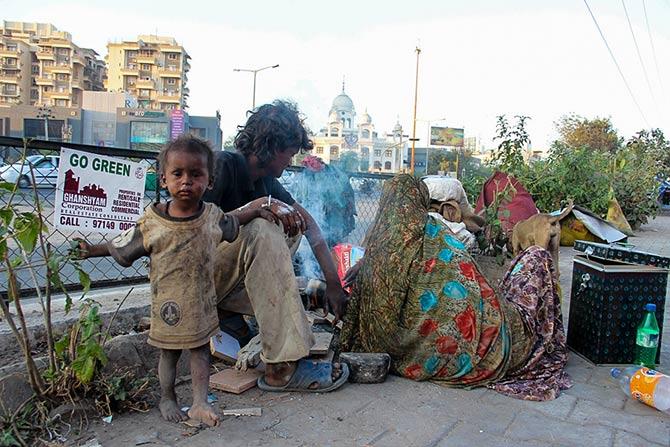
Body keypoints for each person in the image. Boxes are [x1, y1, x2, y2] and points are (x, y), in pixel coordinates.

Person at [75, 135, 276, 425]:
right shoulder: (153, 221)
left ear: (209, 181)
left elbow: (233, 222)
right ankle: (167, 397)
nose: (186, 182)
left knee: (200, 354)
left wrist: (256, 211)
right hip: (167, 304)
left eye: (196, 175)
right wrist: (91, 250)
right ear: (163, 180)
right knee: (168, 355)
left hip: (201, 303)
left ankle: (198, 402)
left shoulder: (211, 217)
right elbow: (122, 245)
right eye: (177, 174)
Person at [341, 175, 571, 401]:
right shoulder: (433, 231)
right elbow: (467, 275)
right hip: (484, 337)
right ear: (419, 200)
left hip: (396, 344)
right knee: (536, 257)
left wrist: (364, 266)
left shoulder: (379, 241)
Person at [204, 100, 349, 392]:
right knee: (263, 224)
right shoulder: (223, 165)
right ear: (271, 146)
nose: (291, 160)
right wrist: (253, 209)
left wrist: (334, 283)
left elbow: (309, 227)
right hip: (199, 281)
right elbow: (194, 232)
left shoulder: (268, 182)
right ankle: (280, 368)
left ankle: (231, 316)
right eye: (290, 152)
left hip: (227, 282)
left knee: (290, 223)